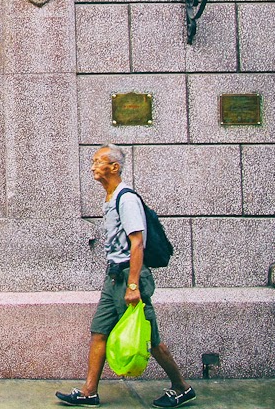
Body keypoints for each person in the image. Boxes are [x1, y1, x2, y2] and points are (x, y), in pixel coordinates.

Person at [55, 144, 195, 408]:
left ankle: (182, 387)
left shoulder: (126, 198)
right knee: (99, 331)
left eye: (98, 162)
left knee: (151, 339)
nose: (93, 166)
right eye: (94, 161)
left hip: (130, 278)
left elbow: (137, 243)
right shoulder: (109, 198)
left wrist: (133, 284)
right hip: (113, 279)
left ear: (114, 167)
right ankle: (89, 392)